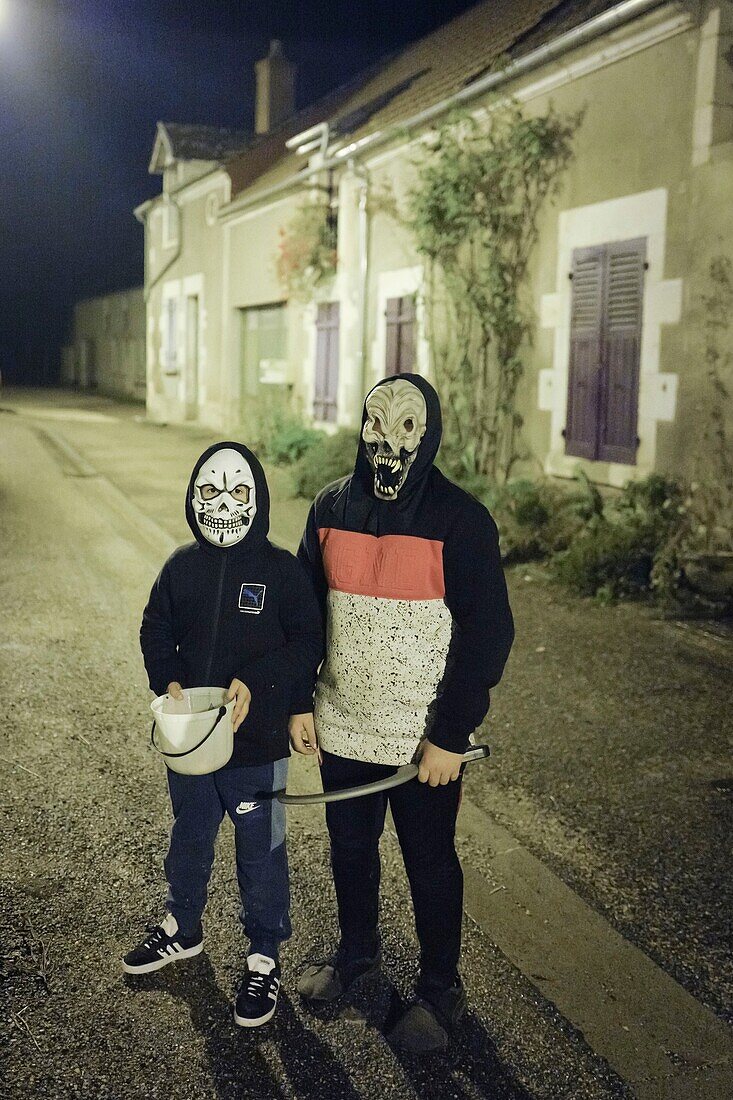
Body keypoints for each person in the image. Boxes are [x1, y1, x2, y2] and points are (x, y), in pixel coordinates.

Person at [294, 374, 514, 1053]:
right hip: (342, 725)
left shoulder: (461, 520)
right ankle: (357, 951)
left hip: (421, 743)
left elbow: (487, 633)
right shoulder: (330, 507)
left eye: (407, 427)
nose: (387, 441)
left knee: (428, 858)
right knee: (349, 849)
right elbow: (303, 613)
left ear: (431, 432)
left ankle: (441, 988)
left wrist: (449, 735)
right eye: (376, 424)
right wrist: (297, 700)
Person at [123, 442, 323, 1030]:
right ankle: (181, 926)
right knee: (189, 834)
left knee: (260, 851)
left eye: (238, 492)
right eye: (209, 490)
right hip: (191, 743)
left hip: (256, 747)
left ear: (258, 500)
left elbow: (307, 644)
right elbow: (154, 627)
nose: (223, 502)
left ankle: (264, 954)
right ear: (192, 497)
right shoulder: (180, 567)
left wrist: (263, 686)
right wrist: (169, 680)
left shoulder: (283, 573)